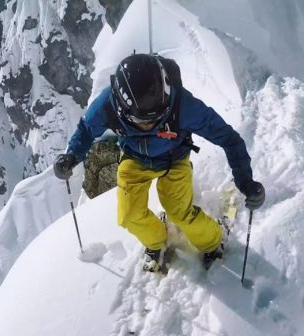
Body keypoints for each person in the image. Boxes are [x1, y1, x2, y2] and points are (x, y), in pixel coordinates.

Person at [54, 53, 264, 272]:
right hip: (134, 159)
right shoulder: (107, 106)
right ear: (121, 107)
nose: (150, 125)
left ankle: (213, 241)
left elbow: (228, 139)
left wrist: (245, 180)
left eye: (157, 118)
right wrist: (71, 155)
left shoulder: (182, 105)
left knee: (178, 212)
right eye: (142, 121)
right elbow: (86, 130)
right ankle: (157, 242)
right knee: (129, 216)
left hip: (175, 158)